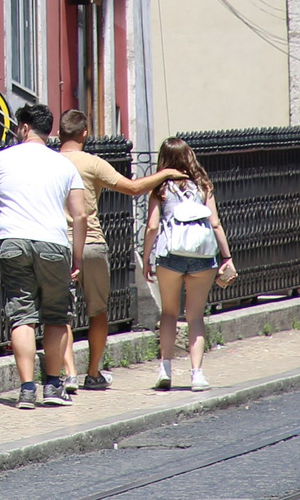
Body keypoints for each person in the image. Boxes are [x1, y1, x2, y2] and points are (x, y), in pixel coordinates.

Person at [57, 109, 181, 391]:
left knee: (59, 313)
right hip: (91, 243)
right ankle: (93, 372)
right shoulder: (93, 163)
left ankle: (69, 373)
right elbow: (133, 188)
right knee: (98, 311)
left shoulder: (48, 163)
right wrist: (165, 173)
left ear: (60, 133)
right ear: (85, 134)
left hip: (59, 244)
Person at [0, 102, 89, 408]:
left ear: (24, 128)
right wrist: (77, 258)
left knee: (22, 316)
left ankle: (26, 390)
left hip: (12, 240)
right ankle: (52, 385)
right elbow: (80, 215)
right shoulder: (64, 165)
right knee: (55, 316)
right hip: (53, 243)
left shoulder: (1, 159)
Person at [142, 137, 236, 391]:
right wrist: (226, 257)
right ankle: (197, 375)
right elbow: (215, 223)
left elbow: (152, 227)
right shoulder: (203, 186)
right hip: (202, 257)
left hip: (170, 256)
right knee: (195, 316)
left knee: (169, 313)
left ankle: (165, 369)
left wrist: (146, 258)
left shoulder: (160, 188)